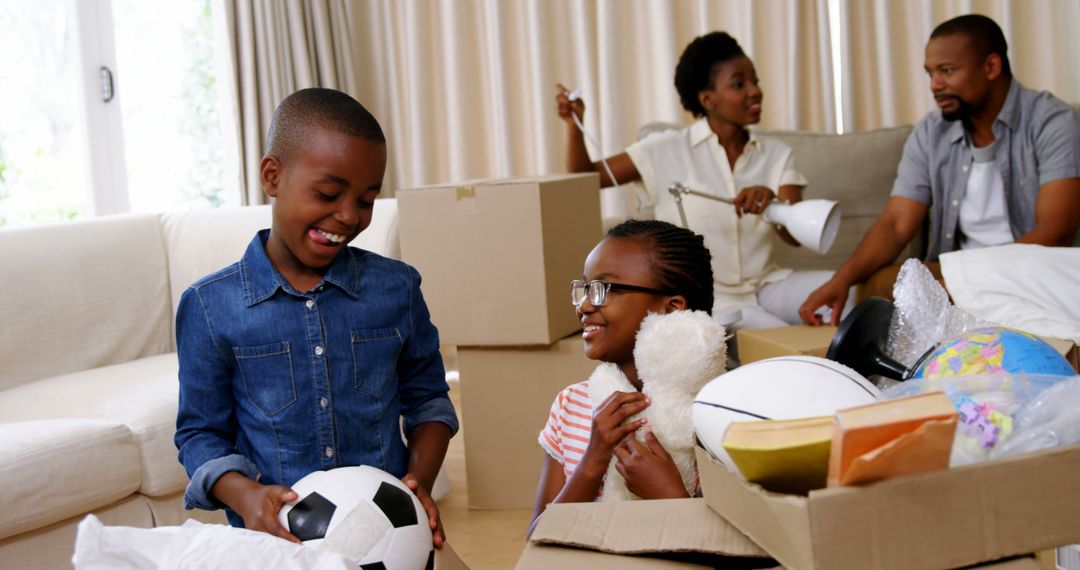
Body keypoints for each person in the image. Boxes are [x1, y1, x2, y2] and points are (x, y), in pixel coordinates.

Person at [174, 88, 457, 548]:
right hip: (276, 544)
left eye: (366, 200)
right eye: (328, 193)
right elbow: (199, 433)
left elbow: (430, 403)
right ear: (272, 175)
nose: (348, 216)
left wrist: (416, 485)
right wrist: (245, 495)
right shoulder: (210, 306)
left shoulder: (397, 289)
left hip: (387, 539)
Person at [800, 14, 1080, 326]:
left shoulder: (1051, 121)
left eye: (947, 71)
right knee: (874, 286)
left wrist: (973, 275)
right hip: (957, 278)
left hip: (1031, 271)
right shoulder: (930, 133)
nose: (935, 85)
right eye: (930, 73)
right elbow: (895, 225)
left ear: (991, 67)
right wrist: (842, 280)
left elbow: (1055, 232)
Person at [557, 31, 844, 331]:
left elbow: (794, 235)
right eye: (739, 84)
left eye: (755, 81)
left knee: (844, 291)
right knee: (775, 335)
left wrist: (772, 203)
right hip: (708, 297)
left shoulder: (777, 155)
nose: (755, 91)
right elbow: (587, 177)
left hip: (765, 285)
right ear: (707, 99)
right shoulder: (663, 149)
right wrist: (575, 127)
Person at [530, 219, 714, 527]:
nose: (585, 305)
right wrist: (593, 460)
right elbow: (536, 538)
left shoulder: (712, 412)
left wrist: (669, 495)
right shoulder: (571, 405)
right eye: (584, 288)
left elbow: (732, 546)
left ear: (671, 308)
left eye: (605, 289)